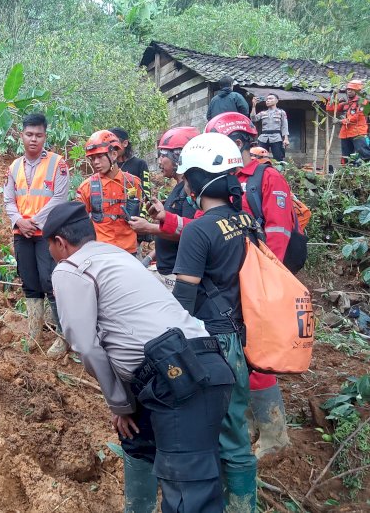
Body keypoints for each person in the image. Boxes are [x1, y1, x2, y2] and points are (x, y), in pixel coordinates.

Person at [46, 201, 234, 513]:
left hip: (174, 378)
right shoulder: (117, 256)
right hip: (205, 362)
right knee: (157, 454)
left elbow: (85, 345)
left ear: (60, 243)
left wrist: (119, 403)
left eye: (48, 247)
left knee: (189, 498)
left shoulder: (70, 268)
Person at [172, 132, 258, 511]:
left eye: (185, 177)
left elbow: (184, 301)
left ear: (196, 179)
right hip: (241, 338)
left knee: (217, 437)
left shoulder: (198, 230)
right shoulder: (246, 221)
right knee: (234, 431)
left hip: (212, 344)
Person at [206, 112, 295, 459]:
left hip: (262, 285)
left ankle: (275, 437)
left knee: (259, 355)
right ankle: (251, 427)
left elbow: (279, 233)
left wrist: (262, 282)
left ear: (238, 143)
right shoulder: (225, 181)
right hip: (236, 284)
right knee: (242, 354)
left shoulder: (267, 179)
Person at [3, 113, 69, 358]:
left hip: (47, 234)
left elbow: (59, 198)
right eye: (29, 134)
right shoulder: (14, 167)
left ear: (45, 136)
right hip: (22, 233)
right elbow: (9, 200)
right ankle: (34, 333)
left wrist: (35, 222)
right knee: (30, 282)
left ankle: (63, 337)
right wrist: (19, 220)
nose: (34, 139)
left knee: (50, 282)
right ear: (22, 135)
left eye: (39, 135)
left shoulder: (57, 163)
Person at [128, 127, 199, 291]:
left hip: (177, 272)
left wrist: (148, 227)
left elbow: (188, 231)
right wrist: (150, 258)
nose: (159, 161)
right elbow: (172, 226)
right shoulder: (178, 188)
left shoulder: (189, 192)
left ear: (178, 156)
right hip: (166, 268)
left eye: (163, 155)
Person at [76, 130, 142, 255]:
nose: (95, 162)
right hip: (101, 253)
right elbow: (81, 223)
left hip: (129, 251)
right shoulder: (87, 187)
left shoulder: (133, 183)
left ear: (114, 154)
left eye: (100, 157)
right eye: (92, 158)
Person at [326, 79, 370, 164]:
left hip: (358, 133)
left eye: (351, 89)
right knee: (346, 157)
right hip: (345, 133)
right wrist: (333, 95)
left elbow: (356, 116)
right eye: (348, 89)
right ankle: (349, 175)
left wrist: (340, 121)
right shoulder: (346, 103)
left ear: (357, 91)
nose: (349, 91)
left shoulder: (363, 102)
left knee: (365, 154)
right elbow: (330, 108)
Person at [250, 93, 289, 162]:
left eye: (270, 99)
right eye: (267, 99)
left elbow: (284, 126)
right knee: (261, 158)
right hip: (263, 138)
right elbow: (253, 119)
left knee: (278, 158)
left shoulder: (281, 112)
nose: (268, 100)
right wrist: (254, 106)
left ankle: (278, 172)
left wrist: (286, 138)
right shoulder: (263, 113)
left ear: (277, 100)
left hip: (276, 138)